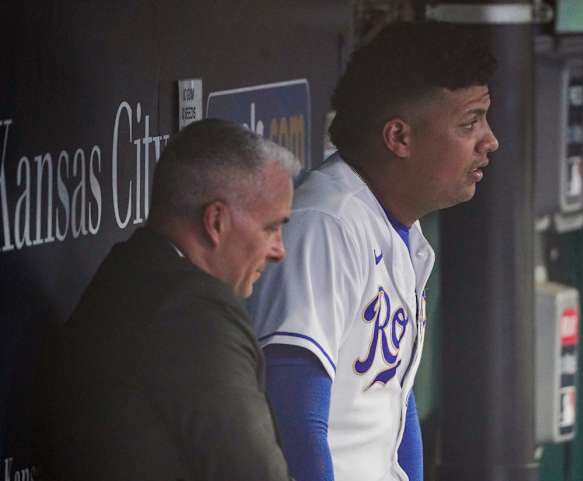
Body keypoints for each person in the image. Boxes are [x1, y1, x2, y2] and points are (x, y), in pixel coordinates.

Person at [248, 21, 499, 481]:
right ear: (399, 137)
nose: (489, 140)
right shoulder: (327, 224)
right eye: (470, 122)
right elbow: (295, 418)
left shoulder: (396, 226)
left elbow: (393, 403)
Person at [35, 119, 300, 481]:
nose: (279, 251)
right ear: (216, 221)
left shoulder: (126, 272)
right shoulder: (193, 318)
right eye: (271, 227)